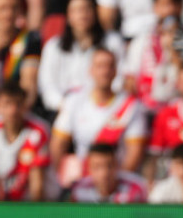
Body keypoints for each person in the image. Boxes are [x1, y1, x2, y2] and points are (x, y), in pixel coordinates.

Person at [51, 47, 148, 176]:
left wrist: (115, 185)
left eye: (110, 66)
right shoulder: (73, 101)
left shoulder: (132, 106)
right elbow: (58, 144)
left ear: (115, 71)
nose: (105, 71)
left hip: (116, 180)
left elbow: (134, 153)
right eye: (100, 66)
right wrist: (62, 177)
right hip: (82, 178)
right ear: (90, 70)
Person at [37, 0, 125, 118]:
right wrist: (64, 106)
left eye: (86, 9)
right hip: (63, 111)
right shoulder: (54, 46)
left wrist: (101, 103)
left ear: (95, 12)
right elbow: (47, 84)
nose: (82, 14)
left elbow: (121, 77)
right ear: (68, 16)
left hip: (104, 109)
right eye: (76, 10)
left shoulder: (113, 41)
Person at [123, 0, 183, 116]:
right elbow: (130, 79)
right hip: (144, 108)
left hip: (179, 108)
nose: (169, 9)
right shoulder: (141, 41)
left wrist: (174, 51)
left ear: (181, 6)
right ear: (155, 7)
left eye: (173, 3)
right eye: (163, 4)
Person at [0, 83, 51, 201]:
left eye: (17, 104)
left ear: (25, 105)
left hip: (30, 205)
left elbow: (37, 185)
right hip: (4, 202)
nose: (13, 110)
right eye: (7, 104)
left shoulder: (38, 133)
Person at [68, 142, 149, 202]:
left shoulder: (135, 188)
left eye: (109, 165)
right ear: (89, 168)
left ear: (117, 165)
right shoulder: (78, 190)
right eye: (97, 166)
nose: (104, 173)